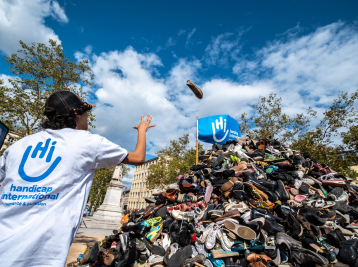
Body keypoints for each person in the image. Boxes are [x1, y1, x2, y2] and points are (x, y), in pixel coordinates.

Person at [0, 91, 155, 267]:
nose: (87, 118)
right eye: (86, 113)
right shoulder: (88, 142)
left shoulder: (18, 146)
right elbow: (139, 158)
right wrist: (142, 130)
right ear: (76, 113)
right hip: (38, 254)